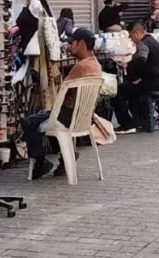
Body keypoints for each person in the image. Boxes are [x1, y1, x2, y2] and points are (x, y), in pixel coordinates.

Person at [22, 28, 102, 179]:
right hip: (84, 117)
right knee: (47, 117)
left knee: (29, 122)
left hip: (67, 117)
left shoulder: (81, 66)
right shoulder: (96, 65)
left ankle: (41, 163)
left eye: (72, 43)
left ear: (82, 44)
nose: (69, 47)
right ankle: (66, 155)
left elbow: (62, 92)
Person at [112, 23, 159, 134]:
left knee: (119, 92)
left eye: (132, 36)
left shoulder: (143, 44)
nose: (132, 40)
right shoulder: (153, 41)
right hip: (157, 80)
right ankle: (138, 120)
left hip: (150, 81)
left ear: (137, 33)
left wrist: (133, 71)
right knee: (129, 88)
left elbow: (142, 59)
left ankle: (127, 124)